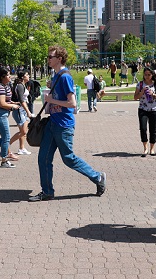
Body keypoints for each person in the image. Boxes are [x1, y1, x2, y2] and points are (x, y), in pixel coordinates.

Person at [29, 45, 106, 201]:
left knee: (68, 158)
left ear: (59, 59)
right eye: (48, 57)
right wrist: (52, 88)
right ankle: (47, 191)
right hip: (52, 123)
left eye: (50, 57)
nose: (48, 59)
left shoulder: (65, 77)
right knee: (43, 158)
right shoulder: (56, 76)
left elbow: (72, 104)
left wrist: (52, 100)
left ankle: (97, 177)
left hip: (63, 126)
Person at [133, 67, 156, 157]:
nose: (147, 77)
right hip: (143, 109)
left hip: (154, 109)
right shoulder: (140, 84)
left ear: (152, 75)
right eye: (145, 75)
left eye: (149, 75)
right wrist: (142, 91)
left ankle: (152, 148)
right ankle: (145, 148)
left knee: (153, 129)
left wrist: (153, 94)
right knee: (143, 128)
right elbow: (135, 97)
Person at [9, 70, 33, 155]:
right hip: (19, 110)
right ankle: (7, 145)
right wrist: (28, 111)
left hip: (23, 110)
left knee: (23, 131)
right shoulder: (19, 86)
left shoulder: (23, 85)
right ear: (23, 77)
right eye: (27, 74)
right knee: (23, 131)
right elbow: (21, 100)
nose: (29, 76)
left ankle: (21, 148)